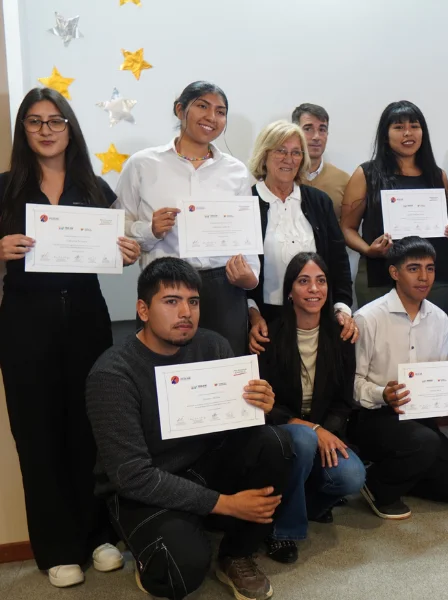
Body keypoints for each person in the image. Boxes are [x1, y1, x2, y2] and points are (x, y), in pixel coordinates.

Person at [85, 257, 294, 600]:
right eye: (171, 301)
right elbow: (132, 476)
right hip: (142, 487)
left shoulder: (213, 345)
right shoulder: (112, 374)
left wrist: (261, 407)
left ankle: (236, 554)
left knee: (276, 443)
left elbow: (237, 430)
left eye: (193, 302)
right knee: (180, 572)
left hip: (202, 465)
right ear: (143, 310)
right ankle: (163, 541)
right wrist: (226, 504)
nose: (186, 312)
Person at [0, 88, 140, 587]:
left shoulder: (94, 187)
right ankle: (57, 548)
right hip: (25, 322)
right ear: (23, 129)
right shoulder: (6, 188)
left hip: (86, 318)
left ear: (70, 128)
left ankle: (98, 535)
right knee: (37, 433)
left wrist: (126, 251)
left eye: (55, 120)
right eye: (34, 121)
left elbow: (121, 246)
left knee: (91, 427)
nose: (45, 130)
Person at [114, 81, 259, 356]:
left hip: (224, 289)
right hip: (163, 285)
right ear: (180, 110)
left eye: (220, 111)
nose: (212, 117)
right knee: (161, 369)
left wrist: (249, 278)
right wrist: (150, 230)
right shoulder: (142, 164)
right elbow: (116, 229)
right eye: (202, 106)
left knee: (223, 368)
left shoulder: (236, 171)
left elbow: (246, 237)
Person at [350, 236, 448, 519]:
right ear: (394, 272)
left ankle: (400, 471)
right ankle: (378, 485)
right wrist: (383, 394)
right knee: (424, 442)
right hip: (374, 417)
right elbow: (352, 384)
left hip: (420, 419)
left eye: (430, 268)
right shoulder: (368, 318)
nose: (424, 277)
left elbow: (443, 373)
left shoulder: (439, 318)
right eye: (414, 268)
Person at [257, 252, 366, 562]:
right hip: (280, 431)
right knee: (303, 439)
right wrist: (311, 430)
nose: (314, 289)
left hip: (323, 430)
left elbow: (343, 402)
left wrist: (325, 432)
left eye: (321, 281)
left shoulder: (341, 336)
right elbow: (265, 404)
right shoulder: (268, 336)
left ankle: (305, 504)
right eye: (304, 281)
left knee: (352, 476)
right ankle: (282, 531)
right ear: (290, 291)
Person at [340, 100, 448, 315]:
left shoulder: (438, 176)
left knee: (432, 335)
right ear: (385, 135)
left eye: (414, 126)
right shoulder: (366, 174)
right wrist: (368, 250)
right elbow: (346, 228)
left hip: (436, 281)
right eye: (398, 127)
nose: (408, 133)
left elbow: (446, 227)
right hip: (381, 278)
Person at [245, 120, 357, 355]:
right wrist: (253, 315)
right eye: (281, 151)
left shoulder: (319, 201)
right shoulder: (246, 203)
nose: (289, 159)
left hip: (318, 317)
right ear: (264, 155)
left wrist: (342, 308)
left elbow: (338, 262)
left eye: (296, 152)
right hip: (266, 322)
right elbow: (240, 271)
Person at [291, 103, 350, 219]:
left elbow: (348, 226)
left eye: (322, 129)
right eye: (308, 129)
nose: (316, 137)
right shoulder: (282, 178)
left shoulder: (344, 181)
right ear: (294, 133)